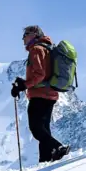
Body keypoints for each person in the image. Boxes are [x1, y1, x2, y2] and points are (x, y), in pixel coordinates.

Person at [12, 25, 71, 163]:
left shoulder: (36, 49)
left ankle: (58, 147)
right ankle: (46, 159)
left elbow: (39, 74)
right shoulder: (47, 49)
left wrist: (23, 85)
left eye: (25, 35)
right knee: (43, 128)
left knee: (36, 128)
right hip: (50, 94)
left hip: (39, 94)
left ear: (33, 34)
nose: (23, 38)